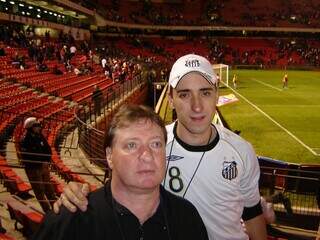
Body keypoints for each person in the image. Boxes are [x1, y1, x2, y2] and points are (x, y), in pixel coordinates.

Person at [53, 54, 267, 240]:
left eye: (205, 92)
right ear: (171, 99)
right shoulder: (154, 147)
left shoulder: (242, 151)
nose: (197, 105)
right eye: (184, 94)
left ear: (217, 95)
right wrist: (78, 196)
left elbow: (252, 212)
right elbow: (115, 196)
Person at [33, 105, 208, 240]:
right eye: (132, 145)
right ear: (110, 156)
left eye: (156, 144)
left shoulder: (187, 217)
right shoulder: (71, 220)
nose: (147, 156)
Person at [19, 117, 57, 213]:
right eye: (36, 125)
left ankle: (56, 208)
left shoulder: (39, 135)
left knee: (49, 189)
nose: (39, 127)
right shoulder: (24, 140)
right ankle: (48, 212)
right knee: (40, 191)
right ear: (30, 127)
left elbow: (48, 149)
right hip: (33, 169)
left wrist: (46, 160)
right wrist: (42, 161)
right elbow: (28, 157)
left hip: (44, 167)